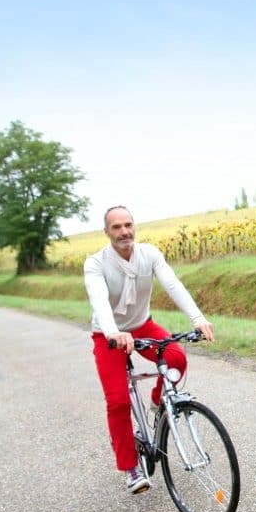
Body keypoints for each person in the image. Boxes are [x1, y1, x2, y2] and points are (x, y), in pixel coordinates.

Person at [83, 205, 214, 494]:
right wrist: (113, 332)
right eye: (116, 227)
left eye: (128, 225)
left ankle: (159, 403)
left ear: (134, 227)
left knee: (176, 357)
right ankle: (131, 469)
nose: (124, 231)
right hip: (109, 335)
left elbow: (173, 285)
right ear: (107, 232)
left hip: (143, 326)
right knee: (118, 401)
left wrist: (199, 319)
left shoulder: (149, 255)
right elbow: (99, 301)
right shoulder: (95, 264)